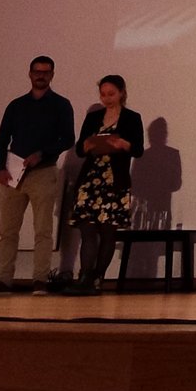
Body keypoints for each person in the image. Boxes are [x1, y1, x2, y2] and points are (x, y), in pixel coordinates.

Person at [0, 55, 75, 295]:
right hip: (13, 174)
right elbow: (2, 140)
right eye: (37, 71)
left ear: (52, 75)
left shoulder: (61, 105)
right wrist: (0, 168)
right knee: (8, 230)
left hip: (43, 173)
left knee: (42, 230)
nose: (40, 75)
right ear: (30, 73)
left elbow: (68, 139)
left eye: (45, 71)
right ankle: (4, 280)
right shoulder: (16, 105)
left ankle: (40, 280)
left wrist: (42, 154)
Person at [65, 74, 145, 295]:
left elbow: (138, 149)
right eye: (103, 94)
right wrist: (89, 144)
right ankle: (84, 277)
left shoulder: (131, 118)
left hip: (114, 181)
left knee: (108, 232)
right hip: (91, 179)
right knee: (87, 230)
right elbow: (80, 147)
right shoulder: (94, 117)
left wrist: (122, 143)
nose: (107, 99)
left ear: (121, 93)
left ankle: (98, 277)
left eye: (111, 94)